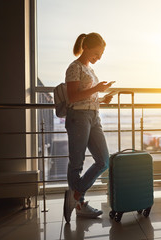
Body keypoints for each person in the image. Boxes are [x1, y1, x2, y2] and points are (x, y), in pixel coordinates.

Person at [63, 32, 114, 223]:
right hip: (79, 117)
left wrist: (101, 98)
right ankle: (79, 204)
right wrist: (96, 89)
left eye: (101, 54)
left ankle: (75, 196)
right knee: (76, 163)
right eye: (97, 53)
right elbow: (73, 97)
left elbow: (86, 95)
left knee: (104, 161)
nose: (99, 57)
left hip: (93, 116)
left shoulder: (90, 70)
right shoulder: (74, 67)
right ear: (87, 48)